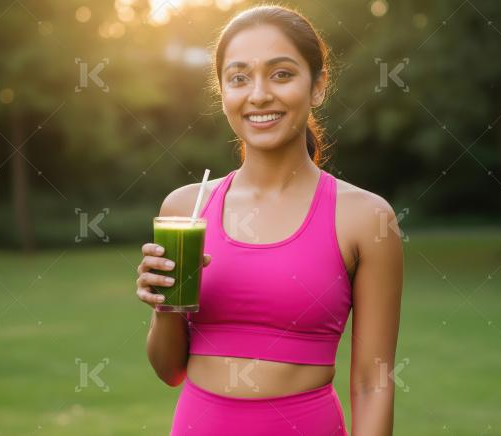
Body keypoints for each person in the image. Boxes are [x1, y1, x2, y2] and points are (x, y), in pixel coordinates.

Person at [136, 5, 404, 435]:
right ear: (223, 92)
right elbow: (170, 371)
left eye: (281, 74)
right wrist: (164, 306)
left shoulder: (366, 218)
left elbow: (372, 383)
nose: (258, 95)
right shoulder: (184, 209)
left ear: (318, 86)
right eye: (239, 78)